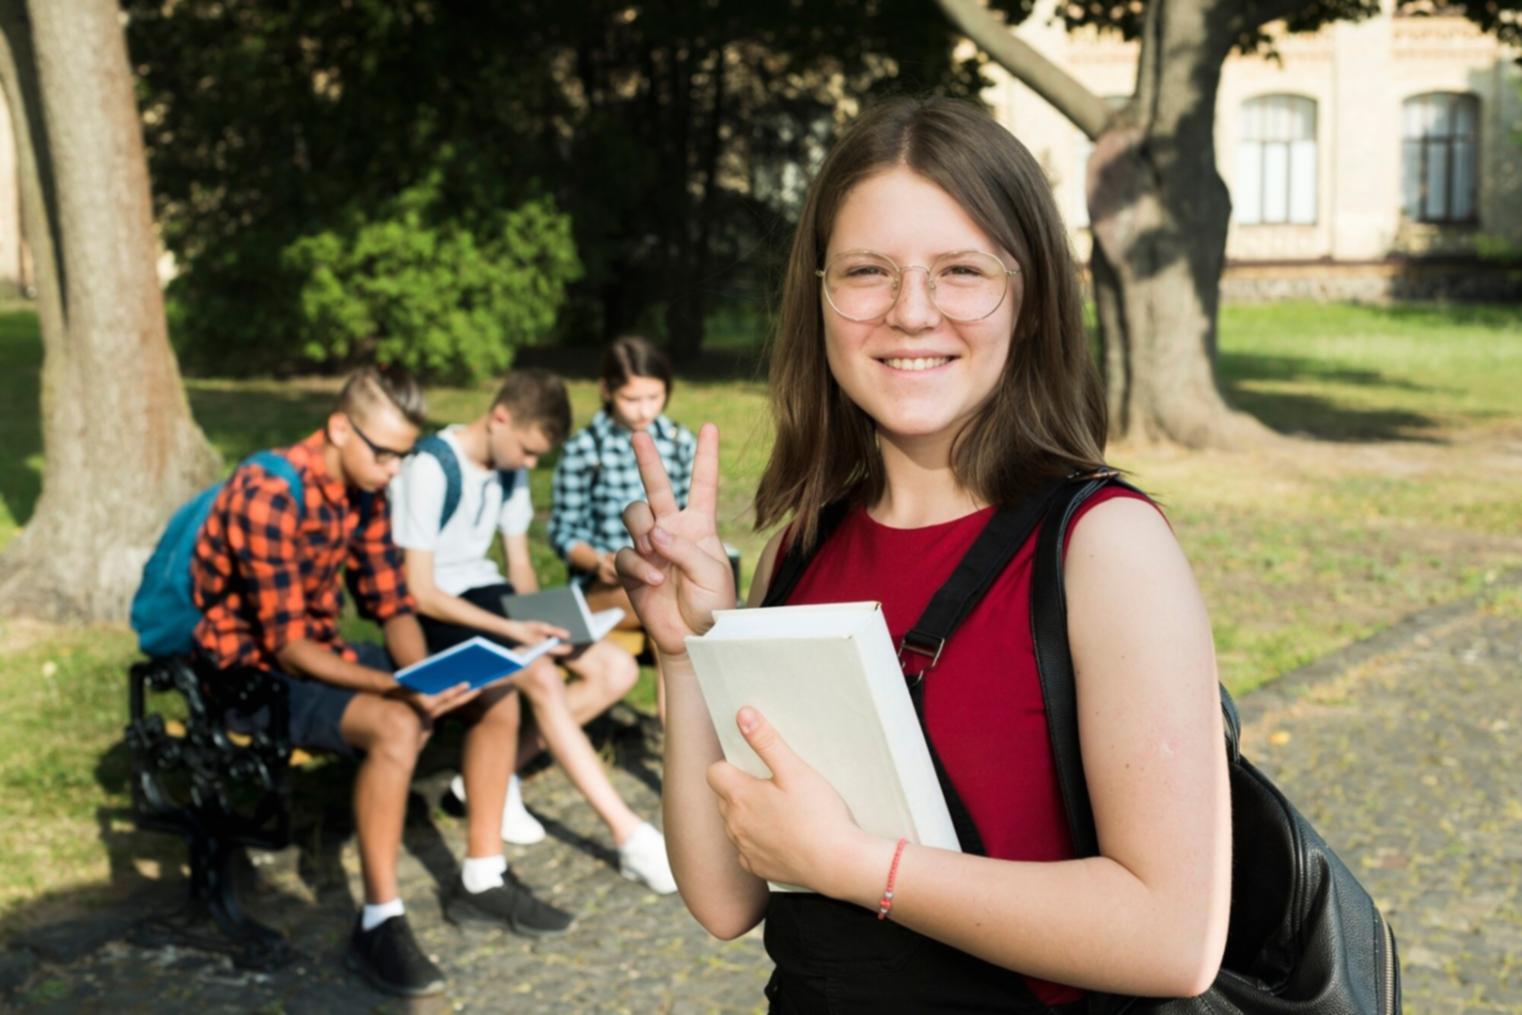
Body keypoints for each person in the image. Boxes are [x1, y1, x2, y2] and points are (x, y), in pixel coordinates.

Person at [613, 97, 1233, 1011]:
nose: (910, 312)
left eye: (961, 270)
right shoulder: (805, 545)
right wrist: (684, 651)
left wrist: (861, 865)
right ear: (819, 297)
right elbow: (725, 899)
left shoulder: (1105, 547)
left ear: (1027, 301)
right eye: (867, 271)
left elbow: (1174, 937)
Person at [190, 366, 572, 1000]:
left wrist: (426, 675)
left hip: (317, 653)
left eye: (403, 455)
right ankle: (378, 921)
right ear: (340, 428)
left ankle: (481, 876)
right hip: (245, 676)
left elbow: (392, 603)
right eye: (386, 454)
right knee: (399, 721)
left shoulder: (362, 491)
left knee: (494, 687)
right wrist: (402, 690)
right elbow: (289, 648)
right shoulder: (268, 491)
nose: (396, 470)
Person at [388, 369, 676, 894]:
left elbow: (518, 565)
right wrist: (516, 629)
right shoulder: (430, 467)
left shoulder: (508, 468)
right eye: (525, 450)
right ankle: (628, 834)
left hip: (495, 599)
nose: (529, 464)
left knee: (612, 668)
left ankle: (495, 780)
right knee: (540, 675)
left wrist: (551, 618)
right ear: (500, 418)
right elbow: (421, 591)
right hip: (443, 611)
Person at [549, 335, 696, 631]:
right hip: (605, 584)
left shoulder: (679, 443)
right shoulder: (584, 449)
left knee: (672, 601)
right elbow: (563, 530)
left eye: (654, 397)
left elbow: (690, 516)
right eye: (631, 399)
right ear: (607, 391)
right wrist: (597, 562)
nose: (644, 410)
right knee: (665, 605)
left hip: (668, 575)